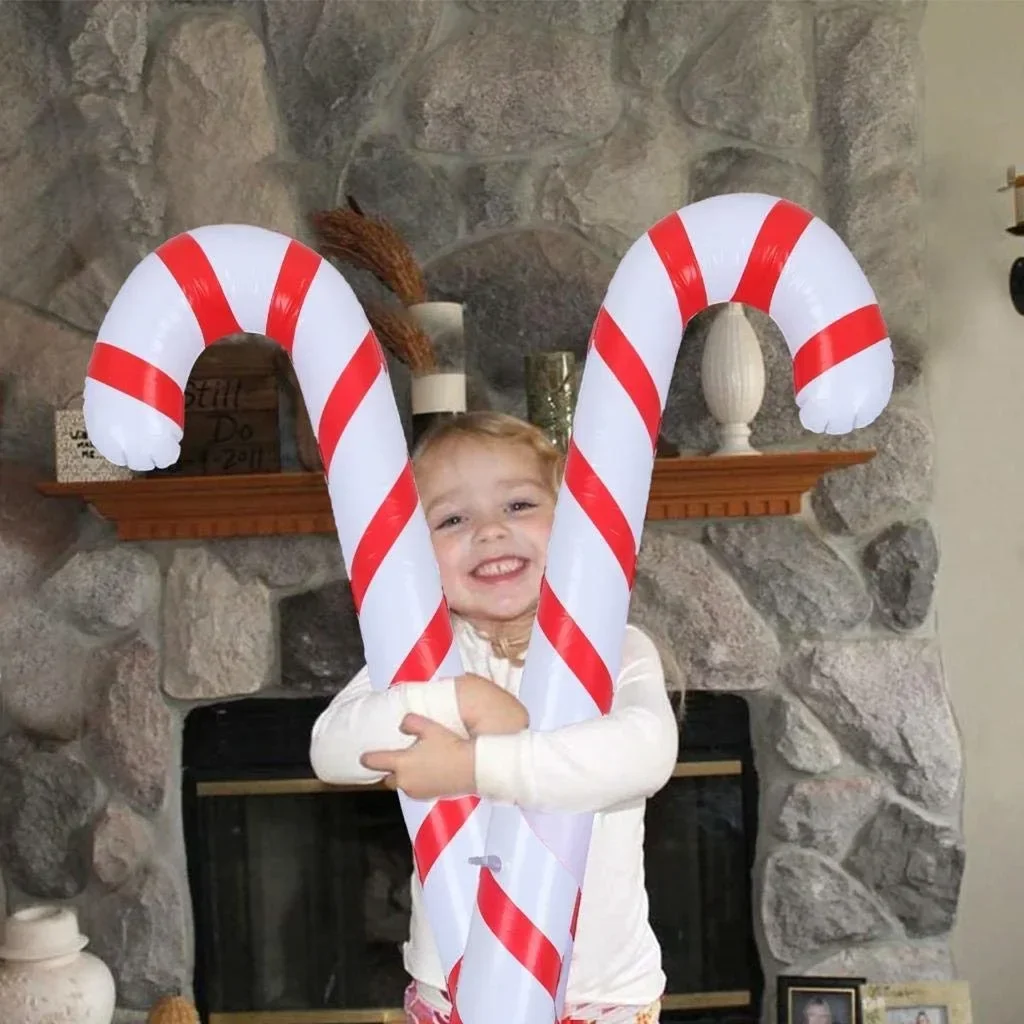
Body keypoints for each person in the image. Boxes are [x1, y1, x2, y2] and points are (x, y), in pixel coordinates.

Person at [310, 411, 680, 1024]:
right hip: (452, 992)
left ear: (573, 525)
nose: (489, 531)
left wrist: (475, 767)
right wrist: (459, 700)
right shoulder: (424, 661)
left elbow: (645, 753)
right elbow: (331, 750)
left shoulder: (614, 650)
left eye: (518, 505)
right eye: (452, 519)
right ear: (414, 556)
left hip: (600, 998)